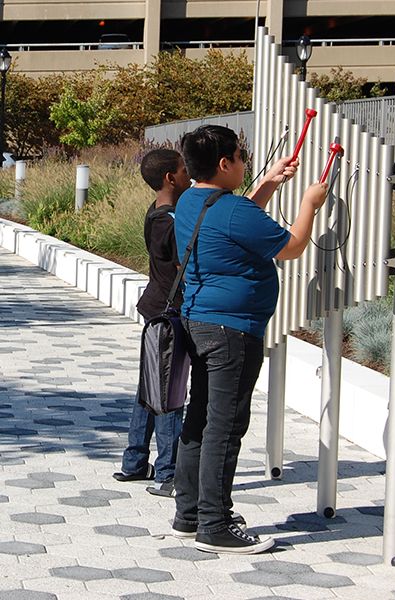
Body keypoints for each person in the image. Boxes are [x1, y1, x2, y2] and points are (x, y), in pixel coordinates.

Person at [171, 125, 328, 554]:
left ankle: (190, 515)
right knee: (225, 425)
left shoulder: (192, 200)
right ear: (225, 164)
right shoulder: (234, 211)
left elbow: (236, 221)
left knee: (201, 419)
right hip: (231, 332)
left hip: (199, 323)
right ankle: (214, 525)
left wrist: (269, 183)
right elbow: (291, 246)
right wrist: (309, 203)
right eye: (241, 155)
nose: (245, 160)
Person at [113, 148, 191, 497]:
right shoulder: (168, 221)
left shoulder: (160, 212)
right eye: (184, 169)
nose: (189, 173)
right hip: (167, 314)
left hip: (158, 309)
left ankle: (134, 462)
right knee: (168, 393)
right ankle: (169, 474)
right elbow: (183, 266)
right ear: (170, 178)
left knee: (151, 386)